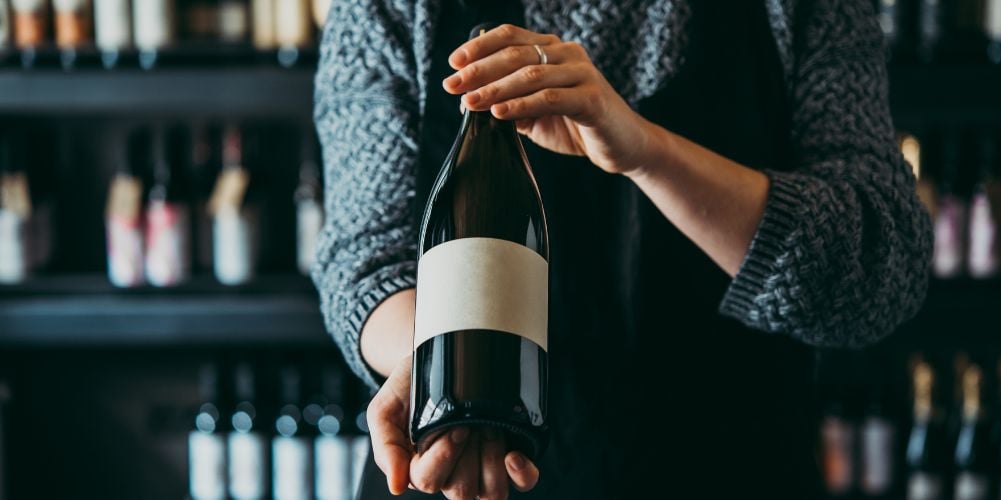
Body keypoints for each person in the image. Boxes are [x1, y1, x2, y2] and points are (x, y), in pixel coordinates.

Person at [312, 0, 932, 498]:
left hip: (735, 470)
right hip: (466, 475)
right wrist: (443, 366)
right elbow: (366, 260)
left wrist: (648, 152)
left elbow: (881, 269)